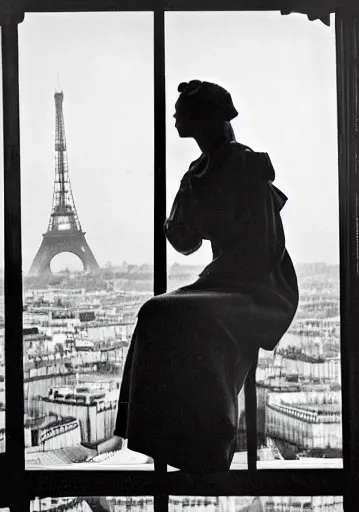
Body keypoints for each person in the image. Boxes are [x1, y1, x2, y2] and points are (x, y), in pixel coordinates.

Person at [94, 80, 299, 473]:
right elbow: (185, 241)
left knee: (164, 313)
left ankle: (198, 439)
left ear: (205, 118)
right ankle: (176, 437)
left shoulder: (244, 163)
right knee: (155, 311)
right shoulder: (200, 172)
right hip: (225, 281)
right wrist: (179, 212)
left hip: (261, 285)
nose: (173, 117)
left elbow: (267, 246)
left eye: (181, 110)